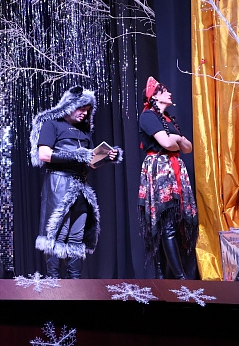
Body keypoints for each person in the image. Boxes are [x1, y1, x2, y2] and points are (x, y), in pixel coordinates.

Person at [30, 85, 122, 279]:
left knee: (76, 236)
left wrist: (107, 157)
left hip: (81, 187)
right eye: (81, 108)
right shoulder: (52, 124)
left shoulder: (84, 131)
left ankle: (75, 283)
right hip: (59, 184)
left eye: (87, 110)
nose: (84, 113)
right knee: (58, 233)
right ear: (70, 105)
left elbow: (91, 163)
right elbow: (44, 154)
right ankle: (53, 280)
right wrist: (78, 155)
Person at [138, 76, 198, 279]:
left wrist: (177, 138)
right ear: (155, 96)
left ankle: (163, 278)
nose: (170, 94)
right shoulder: (148, 116)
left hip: (174, 171)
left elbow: (187, 148)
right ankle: (180, 278)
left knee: (171, 223)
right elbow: (167, 144)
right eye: (165, 91)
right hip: (160, 171)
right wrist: (176, 140)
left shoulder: (168, 119)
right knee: (166, 222)